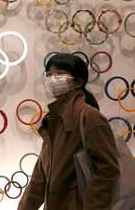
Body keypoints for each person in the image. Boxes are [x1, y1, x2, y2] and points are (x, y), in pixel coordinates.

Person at [18, 53, 120, 210]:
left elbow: (108, 170)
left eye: (60, 73)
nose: (53, 79)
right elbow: (40, 175)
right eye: (49, 74)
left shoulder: (89, 117)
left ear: (78, 81)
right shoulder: (53, 119)